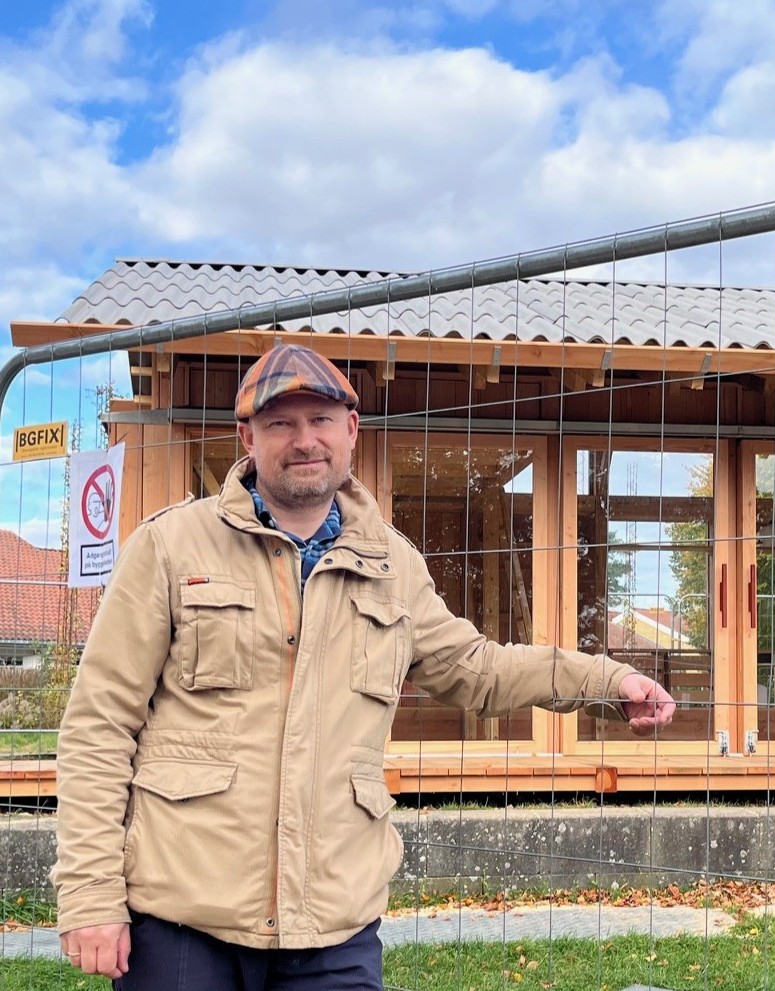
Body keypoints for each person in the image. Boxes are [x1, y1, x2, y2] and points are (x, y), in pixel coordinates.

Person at [52, 343, 676, 989]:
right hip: (184, 918)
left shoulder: (392, 564)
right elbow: (99, 725)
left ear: (351, 429)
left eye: (320, 419)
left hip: (334, 925)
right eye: (280, 423)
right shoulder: (169, 545)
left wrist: (610, 679)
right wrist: (92, 894)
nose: (304, 439)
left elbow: (479, 668)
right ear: (247, 436)